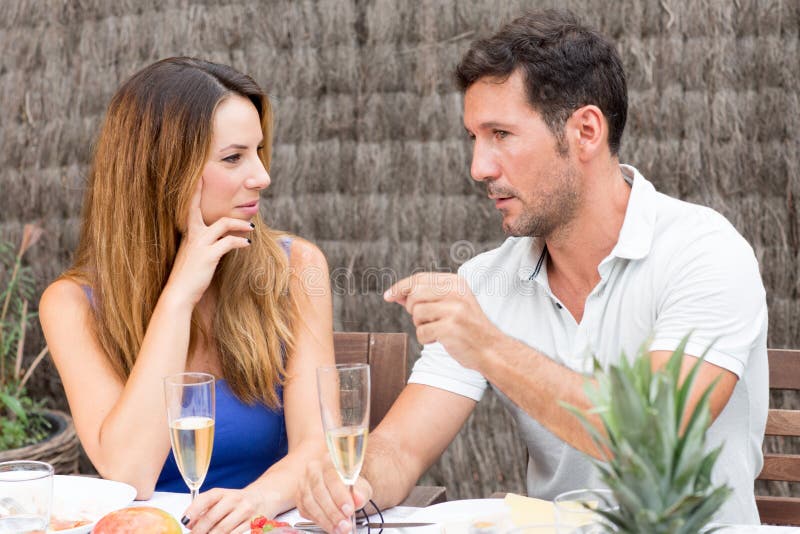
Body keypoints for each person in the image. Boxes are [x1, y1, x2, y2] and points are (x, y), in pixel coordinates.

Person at [296, 9, 768, 531]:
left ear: (585, 131)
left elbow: (652, 441)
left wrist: (489, 346)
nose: (479, 167)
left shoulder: (704, 253)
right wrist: (355, 483)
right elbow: (402, 449)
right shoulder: (487, 280)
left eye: (501, 133)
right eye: (474, 138)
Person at [39, 57, 335, 533]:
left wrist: (254, 501)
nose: (262, 176)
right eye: (234, 158)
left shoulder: (296, 269)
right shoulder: (71, 304)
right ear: (161, 172)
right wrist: (179, 295)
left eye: (258, 151)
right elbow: (129, 473)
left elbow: (319, 447)